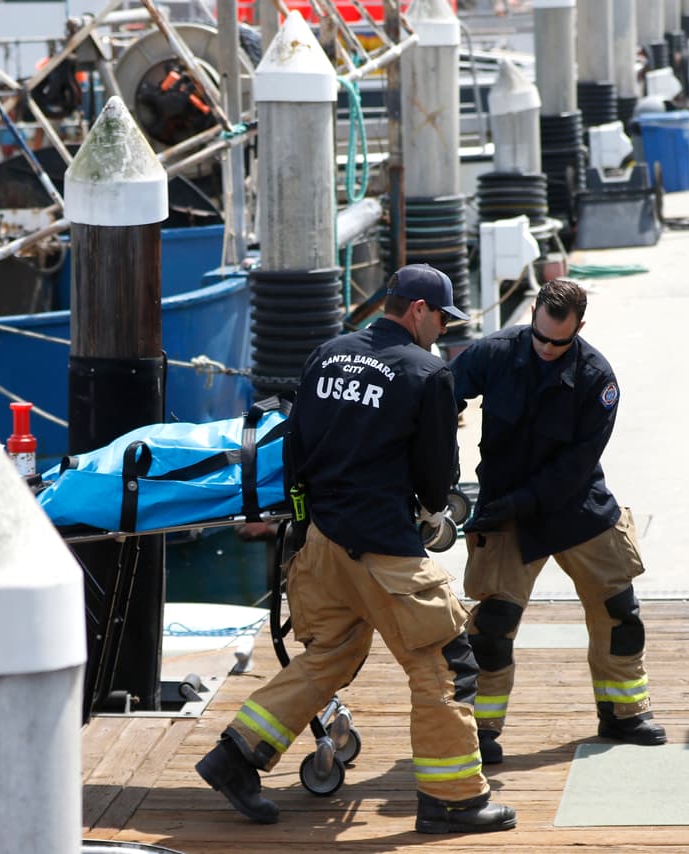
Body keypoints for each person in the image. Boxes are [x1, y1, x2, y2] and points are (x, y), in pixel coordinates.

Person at [195, 264, 516, 835]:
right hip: (383, 550)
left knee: (329, 657)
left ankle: (235, 757)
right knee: (445, 665)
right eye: (442, 318)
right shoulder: (426, 371)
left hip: (320, 542)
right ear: (418, 309)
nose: (442, 329)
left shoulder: (328, 353)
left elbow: (296, 443)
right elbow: (437, 473)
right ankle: (453, 799)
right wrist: (430, 506)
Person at [449, 278, 666, 766]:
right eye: (540, 337)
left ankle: (623, 713)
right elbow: (440, 395)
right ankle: (480, 729)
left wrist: (521, 501)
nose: (547, 348)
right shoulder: (494, 353)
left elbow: (576, 465)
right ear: (532, 315)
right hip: (506, 507)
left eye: (559, 342)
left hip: (575, 505)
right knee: (492, 625)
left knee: (620, 613)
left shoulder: (597, 379)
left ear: (580, 328)